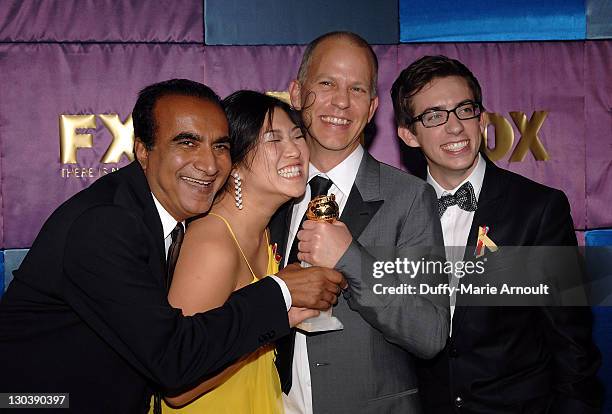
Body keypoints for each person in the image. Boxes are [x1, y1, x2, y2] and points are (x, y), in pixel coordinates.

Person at [0, 79, 344, 413]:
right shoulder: (105, 224)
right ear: (142, 151)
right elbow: (174, 363)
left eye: (220, 146)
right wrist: (280, 291)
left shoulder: (164, 217)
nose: (209, 164)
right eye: (187, 143)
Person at [391, 55, 602, 413]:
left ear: (483, 120)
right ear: (409, 135)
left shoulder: (538, 209)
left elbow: (572, 343)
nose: (455, 127)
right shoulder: (393, 215)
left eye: (465, 110)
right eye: (434, 116)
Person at [270, 32, 449, 414]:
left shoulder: (409, 198)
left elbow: (430, 333)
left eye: (356, 89)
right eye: (327, 83)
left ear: (371, 109)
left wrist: (351, 258)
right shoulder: (268, 191)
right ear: (297, 94)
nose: (341, 101)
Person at [154, 90, 309, 413]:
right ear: (234, 163)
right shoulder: (213, 245)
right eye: (274, 140)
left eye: (297, 136)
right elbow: (177, 386)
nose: (295, 150)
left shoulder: (266, 233)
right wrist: (276, 317)